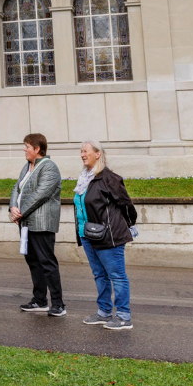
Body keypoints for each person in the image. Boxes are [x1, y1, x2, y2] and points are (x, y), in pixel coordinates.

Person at [74, 140, 138, 330]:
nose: (82, 154)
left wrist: (127, 225)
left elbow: (127, 205)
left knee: (116, 275)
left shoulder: (109, 178)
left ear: (98, 154)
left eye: (86, 151)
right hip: (88, 235)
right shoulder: (84, 178)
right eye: (81, 152)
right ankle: (104, 312)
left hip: (109, 236)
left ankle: (124, 316)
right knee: (99, 275)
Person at [10, 132, 65, 317]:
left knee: (47, 262)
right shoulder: (27, 167)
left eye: (27, 147)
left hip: (42, 223)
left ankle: (58, 304)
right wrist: (12, 208)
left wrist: (21, 211)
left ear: (37, 149)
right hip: (26, 223)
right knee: (33, 261)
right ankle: (40, 300)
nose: (24, 150)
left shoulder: (49, 167)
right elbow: (16, 188)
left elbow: (40, 194)